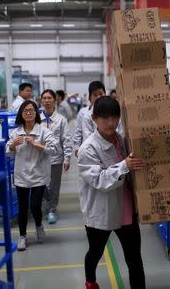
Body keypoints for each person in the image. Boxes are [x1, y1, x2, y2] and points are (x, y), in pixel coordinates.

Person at [78, 96, 146, 289]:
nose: (111, 123)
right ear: (94, 118)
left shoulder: (122, 140)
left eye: (115, 117)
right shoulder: (88, 149)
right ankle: (90, 281)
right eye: (105, 118)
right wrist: (125, 165)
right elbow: (100, 180)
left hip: (127, 209)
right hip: (102, 210)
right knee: (95, 252)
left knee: (134, 259)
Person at [6, 101, 58, 251]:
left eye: (31, 110)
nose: (28, 113)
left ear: (36, 113)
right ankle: (22, 237)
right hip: (21, 174)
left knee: (35, 205)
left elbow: (54, 149)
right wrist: (11, 145)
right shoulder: (15, 133)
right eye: (25, 111)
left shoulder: (43, 131)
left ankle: (39, 226)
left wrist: (36, 144)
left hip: (39, 174)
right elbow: (7, 151)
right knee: (22, 208)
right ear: (21, 114)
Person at [40, 89, 73, 224]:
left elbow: (66, 139)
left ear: (55, 101)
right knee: (40, 184)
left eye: (50, 98)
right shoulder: (36, 119)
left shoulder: (61, 120)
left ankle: (52, 209)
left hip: (56, 158)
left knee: (54, 186)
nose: (47, 101)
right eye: (44, 98)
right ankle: (48, 202)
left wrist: (67, 158)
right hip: (39, 159)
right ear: (41, 101)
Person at [73, 81, 106, 156]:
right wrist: (77, 148)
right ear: (89, 97)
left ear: (105, 95)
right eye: (95, 95)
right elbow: (78, 132)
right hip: (88, 151)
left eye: (101, 94)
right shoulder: (83, 113)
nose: (98, 97)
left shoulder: (109, 112)